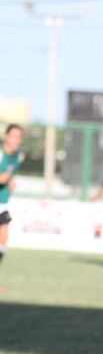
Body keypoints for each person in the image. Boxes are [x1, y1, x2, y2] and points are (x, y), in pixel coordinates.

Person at [0, 124, 24, 292]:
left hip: (2, 203)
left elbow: (9, 177)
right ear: (6, 136)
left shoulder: (17, 157)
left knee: (3, 239)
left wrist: (11, 183)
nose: (16, 140)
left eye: (19, 137)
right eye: (13, 136)